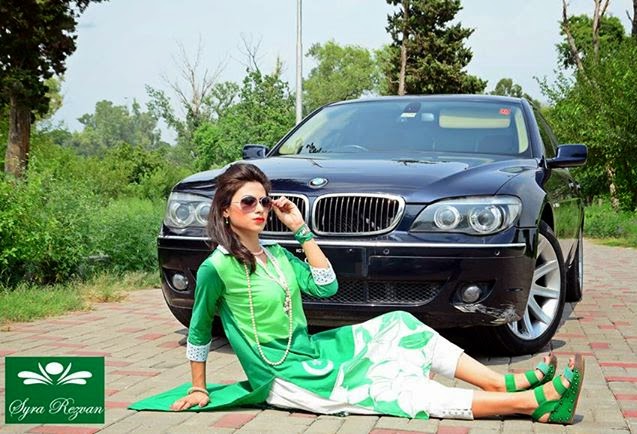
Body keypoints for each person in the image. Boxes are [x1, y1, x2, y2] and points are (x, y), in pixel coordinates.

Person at [129, 163, 584, 424]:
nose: (260, 208)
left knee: (399, 324)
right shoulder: (216, 268)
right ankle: (531, 404)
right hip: (288, 378)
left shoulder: (279, 257)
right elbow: (198, 331)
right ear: (225, 212)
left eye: (264, 200)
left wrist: (300, 229)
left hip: (314, 354)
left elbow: (326, 285)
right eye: (248, 201)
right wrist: (199, 387)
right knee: (395, 388)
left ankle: (500, 381)